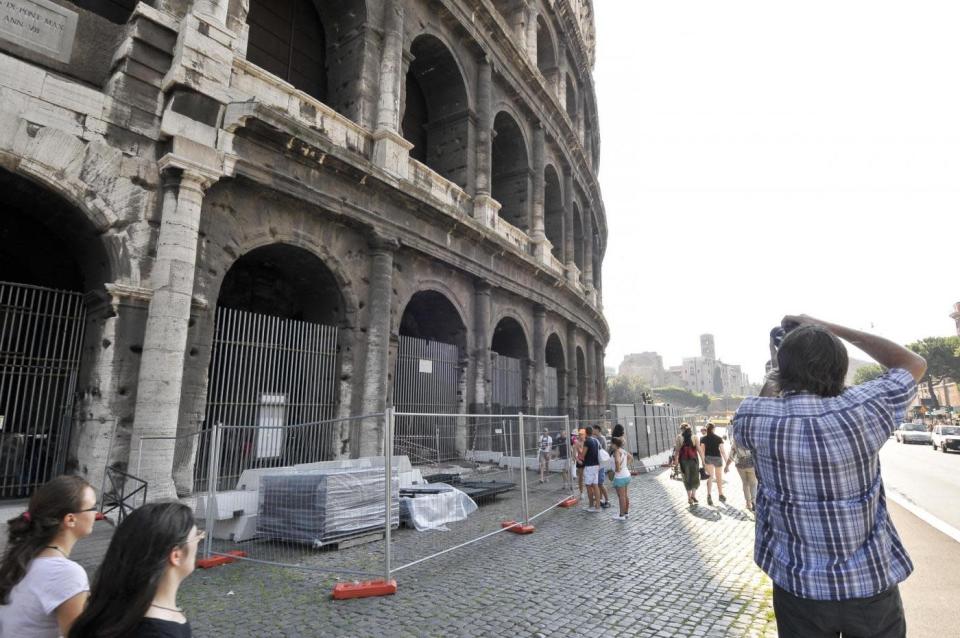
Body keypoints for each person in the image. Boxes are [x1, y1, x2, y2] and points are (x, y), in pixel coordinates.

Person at [733, 314, 927, 638]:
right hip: (871, 588)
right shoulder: (866, 407)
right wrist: (829, 328)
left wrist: (777, 365)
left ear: (782, 369)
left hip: (799, 591)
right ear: (841, 367)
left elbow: (745, 436)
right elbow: (913, 362)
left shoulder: (755, 416)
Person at [69, 502, 200, 638]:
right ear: (176, 555)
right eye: (197, 536)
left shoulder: (110, 610)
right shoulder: (158, 632)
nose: (199, 541)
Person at [0, 475, 97, 638]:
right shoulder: (67, 574)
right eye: (93, 508)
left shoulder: (23, 557)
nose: (97, 513)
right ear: (70, 519)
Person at [725, 424, 757, 511]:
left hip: (740, 465)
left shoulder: (736, 441)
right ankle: (754, 501)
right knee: (753, 484)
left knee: (745, 483)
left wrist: (727, 465)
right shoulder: (752, 439)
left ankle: (748, 503)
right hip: (751, 464)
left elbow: (731, 455)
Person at [699, 423, 727, 506]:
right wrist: (727, 462)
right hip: (717, 458)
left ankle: (709, 495)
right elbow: (722, 451)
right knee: (719, 477)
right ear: (714, 429)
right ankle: (721, 494)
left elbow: (702, 451)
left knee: (710, 477)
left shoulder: (703, 438)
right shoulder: (719, 438)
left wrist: (703, 461)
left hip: (708, 458)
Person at [673, 424, 702, 506]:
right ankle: (693, 495)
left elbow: (677, 450)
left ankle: (689, 498)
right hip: (694, 460)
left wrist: (675, 459)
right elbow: (699, 449)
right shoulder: (695, 437)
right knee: (695, 477)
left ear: (682, 429)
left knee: (686, 478)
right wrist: (703, 460)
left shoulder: (679, 437)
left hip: (683, 460)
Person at [610, 437, 632, 520]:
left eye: (612, 443)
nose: (611, 445)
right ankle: (626, 513)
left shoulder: (616, 452)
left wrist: (618, 469)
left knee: (621, 497)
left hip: (620, 477)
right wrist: (625, 466)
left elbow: (617, 462)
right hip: (626, 475)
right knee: (625, 495)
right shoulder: (623, 450)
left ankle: (621, 515)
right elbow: (630, 457)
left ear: (615, 444)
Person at [581, 427, 601, 512]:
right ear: (592, 432)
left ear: (586, 433)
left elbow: (583, 454)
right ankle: (598, 507)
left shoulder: (587, 441)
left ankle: (591, 506)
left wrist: (580, 453)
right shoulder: (596, 440)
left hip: (589, 466)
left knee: (588, 486)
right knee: (595, 485)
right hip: (596, 465)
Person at [591, 425, 611, 509]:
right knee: (597, 484)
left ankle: (607, 501)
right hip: (596, 464)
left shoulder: (601, 438)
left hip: (600, 464)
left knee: (601, 483)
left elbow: (602, 451)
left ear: (598, 430)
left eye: (594, 429)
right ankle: (601, 500)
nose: (593, 431)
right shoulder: (595, 438)